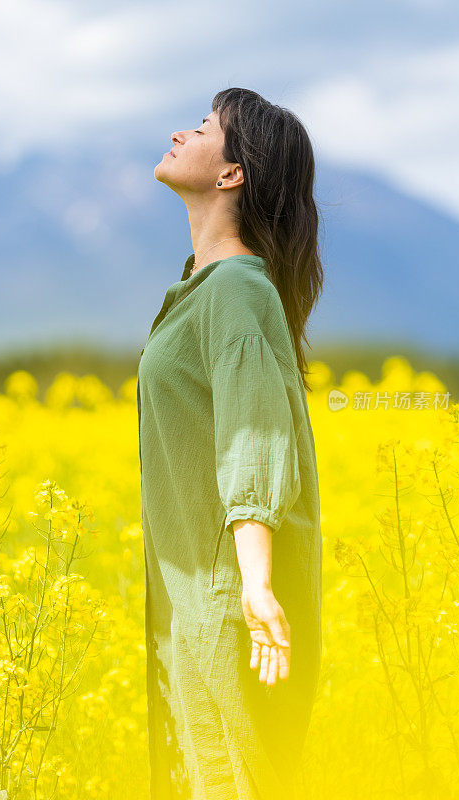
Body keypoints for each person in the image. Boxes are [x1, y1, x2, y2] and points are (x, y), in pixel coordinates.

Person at [137, 87, 324, 800]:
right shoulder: (206, 287)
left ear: (232, 174)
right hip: (198, 604)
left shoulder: (238, 291)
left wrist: (254, 587)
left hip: (224, 606)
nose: (182, 130)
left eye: (206, 126)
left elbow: (253, 435)